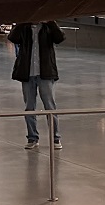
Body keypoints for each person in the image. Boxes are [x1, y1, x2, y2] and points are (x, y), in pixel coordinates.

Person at [8, 21, 65, 150]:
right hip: (28, 73)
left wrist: (51, 21)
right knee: (29, 107)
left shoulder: (48, 28)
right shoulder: (24, 28)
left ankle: (55, 138)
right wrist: (22, 22)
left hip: (45, 72)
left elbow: (60, 38)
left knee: (50, 106)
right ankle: (32, 137)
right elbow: (12, 38)